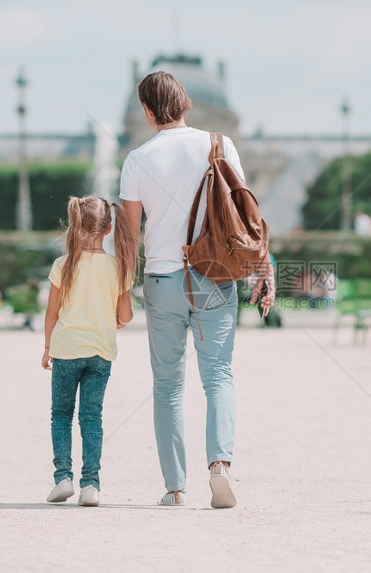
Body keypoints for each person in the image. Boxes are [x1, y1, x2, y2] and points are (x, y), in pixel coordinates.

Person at [120, 71, 274, 509]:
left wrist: (120, 293)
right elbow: (246, 213)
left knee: (168, 386)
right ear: (186, 104)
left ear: (148, 112)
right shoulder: (220, 145)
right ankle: (220, 466)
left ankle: (174, 487)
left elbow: (130, 237)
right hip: (214, 275)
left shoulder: (136, 160)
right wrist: (263, 265)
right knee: (218, 376)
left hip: (163, 280)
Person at [41, 196, 136, 508]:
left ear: (75, 226)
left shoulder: (62, 264)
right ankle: (91, 485)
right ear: (108, 229)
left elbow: (52, 313)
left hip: (66, 349)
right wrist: (116, 319)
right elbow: (126, 315)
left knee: (61, 415)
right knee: (92, 417)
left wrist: (47, 347)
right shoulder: (117, 267)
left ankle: (62, 478)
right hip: (100, 353)